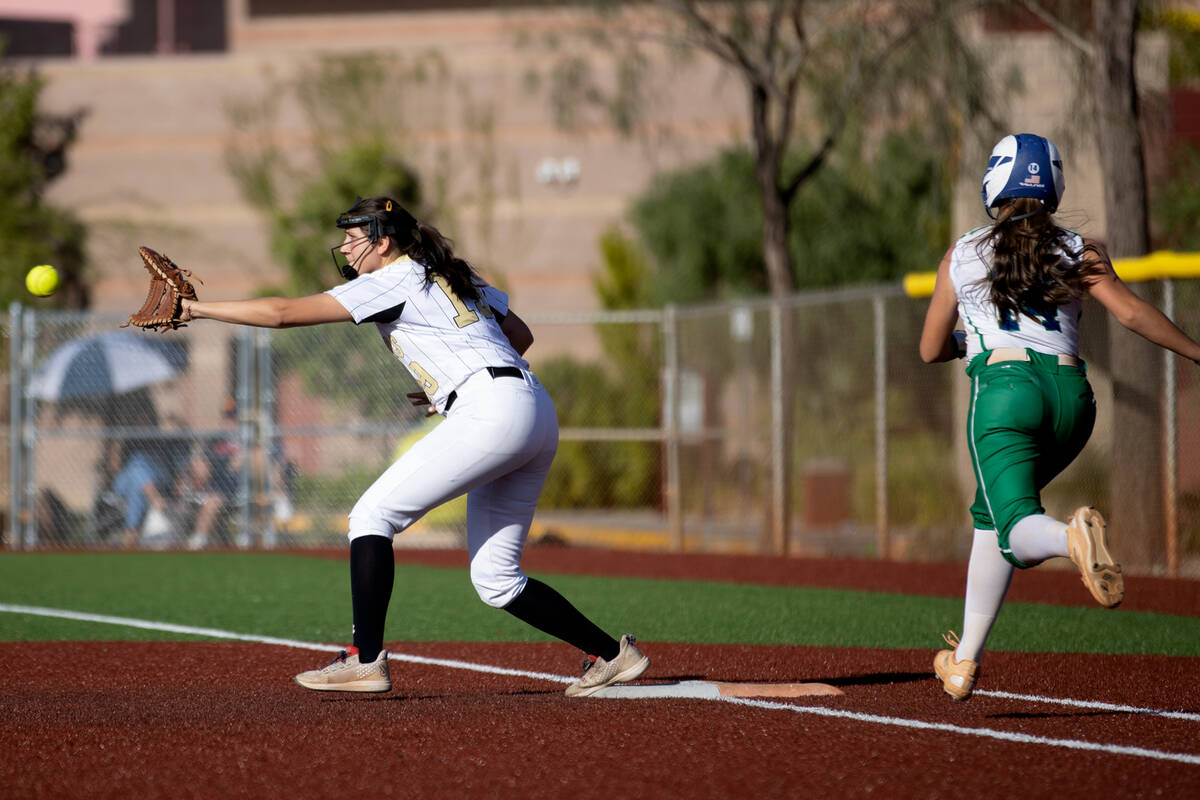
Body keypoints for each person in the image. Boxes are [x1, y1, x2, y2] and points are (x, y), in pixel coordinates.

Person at [177, 195, 649, 697]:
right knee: (496, 578)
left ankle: (365, 659)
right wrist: (455, 381)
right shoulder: (447, 272)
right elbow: (519, 333)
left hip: (490, 410)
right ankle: (611, 654)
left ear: (383, 241)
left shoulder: (390, 278)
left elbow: (281, 313)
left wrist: (195, 307)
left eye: (354, 236)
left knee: (371, 517)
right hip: (532, 407)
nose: (344, 246)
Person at [919, 133, 1200, 702]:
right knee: (991, 514)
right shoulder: (1080, 249)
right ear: (1054, 184)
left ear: (994, 183)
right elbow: (1131, 314)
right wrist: (1197, 350)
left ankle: (1070, 537)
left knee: (1019, 528)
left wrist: (965, 342)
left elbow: (928, 349)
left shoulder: (965, 252)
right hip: (1074, 400)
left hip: (1004, 393)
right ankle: (964, 660)